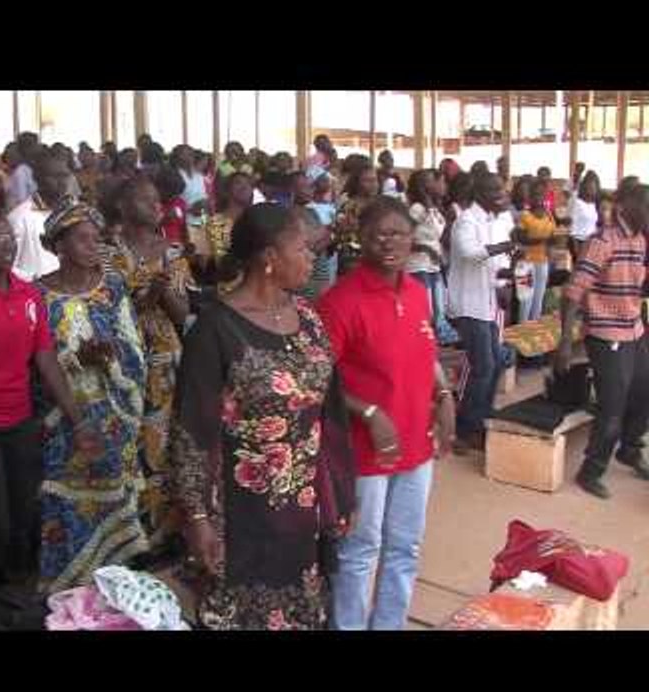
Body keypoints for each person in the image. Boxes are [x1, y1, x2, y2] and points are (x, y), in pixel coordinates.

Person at [170, 202, 351, 630]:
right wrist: (198, 519)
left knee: (301, 610)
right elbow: (190, 433)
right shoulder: (214, 330)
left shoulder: (307, 318)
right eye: (302, 249)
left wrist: (341, 493)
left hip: (302, 508)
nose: (312, 258)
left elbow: (330, 408)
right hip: (238, 513)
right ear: (269, 257)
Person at [0, 206, 100, 604]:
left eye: (9, 237)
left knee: (24, 517)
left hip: (19, 419)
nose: (7, 245)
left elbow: (45, 360)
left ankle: (11, 597)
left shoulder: (28, 294)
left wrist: (79, 421)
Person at [316, 196, 455, 630]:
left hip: (416, 443)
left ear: (413, 239)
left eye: (398, 233)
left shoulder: (417, 293)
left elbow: (426, 353)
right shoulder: (340, 301)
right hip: (364, 452)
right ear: (361, 239)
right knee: (361, 549)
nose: (388, 242)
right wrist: (368, 411)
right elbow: (315, 378)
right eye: (378, 235)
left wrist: (444, 395)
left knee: (405, 547)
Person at [36, 199, 149, 591]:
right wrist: (75, 359)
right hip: (64, 421)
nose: (92, 247)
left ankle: (115, 589)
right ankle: (71, 592)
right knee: (67, 502)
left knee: (116, 496)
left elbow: (134, 346)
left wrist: (112, 358)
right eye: (82, 239)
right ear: (59, 246)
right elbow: (35, 362)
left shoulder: (112, 287)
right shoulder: (38, 295)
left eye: (96, 239)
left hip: (115, 416)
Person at [109, 177, 191, 549]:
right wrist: (145, 297)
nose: (155, 206)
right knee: (129, 439)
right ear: (123, 206)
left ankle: (164, 531)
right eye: (144, 199)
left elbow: (182, 313)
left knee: (164, 440)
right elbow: (107, 306)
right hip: (121, 356)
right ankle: (129, 532)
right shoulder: (106, 252)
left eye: (157, 200)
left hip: (163, 358)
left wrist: (162, 294)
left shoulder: (172, 251)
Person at [555, 184, 649, 499]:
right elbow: (573, 293)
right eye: (647, 206)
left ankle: (629, 449)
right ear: (625, 207)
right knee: (612, 407)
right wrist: (565, 342)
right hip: (606, 334)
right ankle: (591, 471)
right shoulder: (602, 241)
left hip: (633, 330)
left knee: (644, 392)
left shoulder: (639, 239)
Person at [447, 173, 518, 452]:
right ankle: (465, 428)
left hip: (488, 303)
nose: (502, 195)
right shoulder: (466, 221)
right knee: (484, 366)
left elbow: (496, 265)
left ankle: (481, 416)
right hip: (468, 304)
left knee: (496, 362)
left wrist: (506, 278)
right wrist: (507, 246)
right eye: (496, 190)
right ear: (480, 194)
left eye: (502, 190)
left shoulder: (495, 222)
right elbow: (470, 253)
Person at [405, 169, 457, 344]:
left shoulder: (433, 209)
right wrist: (425, 248)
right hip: (418, 264)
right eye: (435, 181)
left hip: (433, 265)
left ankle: (436, 339)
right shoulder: (417, 209)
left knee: (438, 308)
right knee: (425, 309)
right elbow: (404, 237)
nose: (440, 185)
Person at [7, 151, 68, 281]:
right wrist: (35, 280)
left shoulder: (74, 212)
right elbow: (8, 265)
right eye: (55, 176)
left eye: (64, 176)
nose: (62, 182)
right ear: (37, 178)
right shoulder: (19, 218)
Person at [515, 178, 556, 323]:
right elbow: (521, 238)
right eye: (535, 194)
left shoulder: (549, 215)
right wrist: (542, 240)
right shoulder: (524, 215)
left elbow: (553, 236)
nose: (538, 197)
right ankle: (521, 330)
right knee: (525, 301)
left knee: (538, 301)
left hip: (542, 261)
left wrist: (551, 244)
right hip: (525, 263)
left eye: (541, 194)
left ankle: (533, 332)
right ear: (530, 196)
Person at [333, 161, 380, 276]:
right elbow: (345, 240)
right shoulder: (349, 207)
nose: (373, 184)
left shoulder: (380, 205)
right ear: (357, 183)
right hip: (354, 262)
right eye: (367, 180)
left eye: (375, 180)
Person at [570, 170, 601, 259]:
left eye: (594, 187)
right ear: (584, 187)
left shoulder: (594, 205)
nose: (592, 190)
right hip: (579, 242)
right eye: (589, 187)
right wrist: (576, 252)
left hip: (592, 243)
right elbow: (572, 228)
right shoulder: (577, 203)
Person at [155, 165, 187, 246]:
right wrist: (164, 217)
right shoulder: (152, 203)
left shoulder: (180, 203)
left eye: (176, 194)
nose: (173, 197)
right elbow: (147, 225)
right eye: (171, 194)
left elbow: (183, 227)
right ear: (160, 188)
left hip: (177, 245)